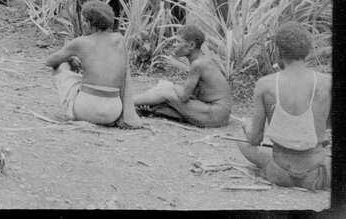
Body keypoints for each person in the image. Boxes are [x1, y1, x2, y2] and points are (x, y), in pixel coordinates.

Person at [236, 22, 331, 191]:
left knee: (240, 138)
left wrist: (246, 125)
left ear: (279, 52)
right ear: (307, 52)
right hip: (316, 174)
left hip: (279, 173)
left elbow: (255, 139)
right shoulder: (327, 82)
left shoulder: (265, 84)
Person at [43, 0, 142, 128]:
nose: (82, 25)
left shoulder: (80, 42)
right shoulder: (119, 39)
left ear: (89, 24)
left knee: (60, 66)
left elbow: (50, 61)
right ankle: (108, 119)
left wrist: (70, 58)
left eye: (83, 21)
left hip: (86, 109)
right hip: (113, 111)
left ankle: (70, 113)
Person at [133, 25, 232, 127]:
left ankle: (128, 102)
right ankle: (147, 108)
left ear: (191, 45)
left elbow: (184, 97)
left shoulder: (198, 64)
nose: (174, 45)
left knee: (167, 91)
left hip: (214, 114)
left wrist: (174, 87)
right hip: (219, 116)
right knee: (164, 100)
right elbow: (192, 94)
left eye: (178, 41)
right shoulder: (205, 61)